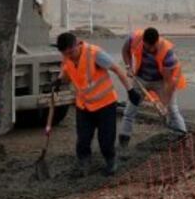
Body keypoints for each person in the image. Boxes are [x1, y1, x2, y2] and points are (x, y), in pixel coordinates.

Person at [52, 32, 141, 177]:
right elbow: (67, 70)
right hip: (84, 106)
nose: (70, 56)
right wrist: (59, 80)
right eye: (66, 54)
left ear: (77, 44)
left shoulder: (95, 54)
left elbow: (117, 70)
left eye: (71, 52)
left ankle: (111, 161)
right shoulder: (67, 57)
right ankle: (84, 164)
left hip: (105, 104)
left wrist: (130, 91)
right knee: (83, 140)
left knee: (106, 141)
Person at [119, 26, 187, 145]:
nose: (150, 49)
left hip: (161, 81)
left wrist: (163, 104)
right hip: (140, 78)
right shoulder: (134, 38)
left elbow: (168, 83)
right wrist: (128, 67)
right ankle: (124, 139)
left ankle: (182, 137)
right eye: (147, 46)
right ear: (143, 41)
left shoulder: (167, 52)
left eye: (153, 46)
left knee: (172, 110)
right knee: (130, 109)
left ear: (157, 41)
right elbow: (125, 50)